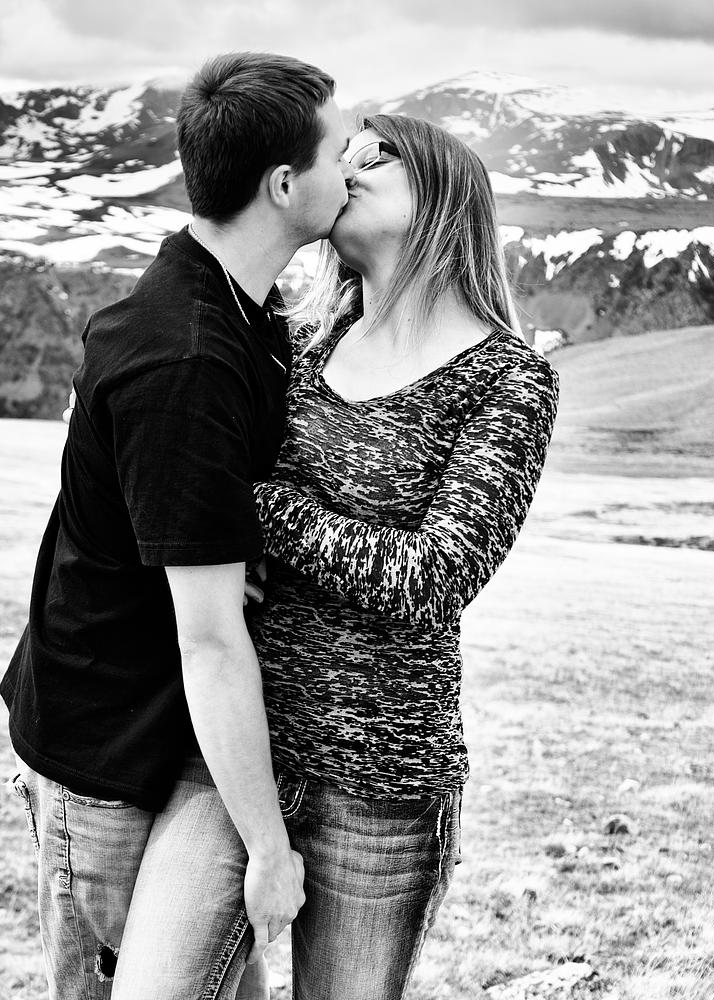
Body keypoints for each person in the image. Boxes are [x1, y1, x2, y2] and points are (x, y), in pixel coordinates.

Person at [112, 114, 560, 1000]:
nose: (347, 167)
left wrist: (256, 510)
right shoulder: (300, 338)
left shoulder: (508, 377)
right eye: (341, 155)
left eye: (375, 154)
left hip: (382, 787)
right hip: (235, 752)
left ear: (444, 190)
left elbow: (434, 576)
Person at [0, 52, 354, 1000]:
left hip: (165, 735)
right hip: (109, 755)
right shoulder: (187, 358)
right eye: (338, 151)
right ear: (284, 185)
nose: (354, 168)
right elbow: (209, 639)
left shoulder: (238, 310)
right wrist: (270, 850)